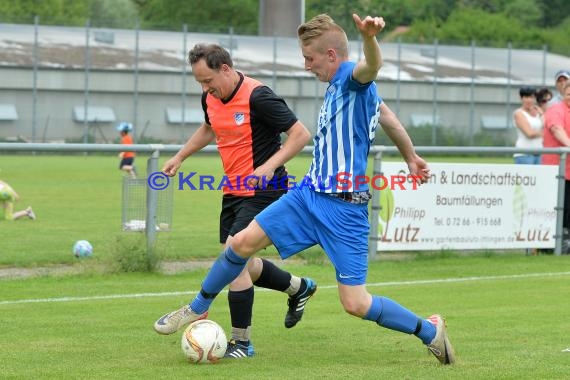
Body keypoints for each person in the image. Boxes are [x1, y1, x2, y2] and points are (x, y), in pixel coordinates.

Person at [154, 14, 455, 365]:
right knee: (239, 244)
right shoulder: (342, 91)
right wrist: (411, 155)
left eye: (309, 57)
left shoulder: (350, 77)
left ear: (331, 55)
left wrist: (370, 39)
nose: (306, 65)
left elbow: (371, 67)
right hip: (308, 196)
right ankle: (197, 307)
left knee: (355, 303)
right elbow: (385, 115)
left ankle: (430, 331)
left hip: (345, 211)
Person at [156, 43, 316, 358]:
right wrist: (180, 157)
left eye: (208, 80)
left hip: (266, 188)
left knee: (234, 255)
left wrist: (268, 166)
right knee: (240, 261)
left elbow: (300, 134)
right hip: (234, 189)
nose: (205, 88)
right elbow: (209, 128)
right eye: (200, 82)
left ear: (226, 69)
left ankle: (242, 342)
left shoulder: (259, 96)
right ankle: (299, 287)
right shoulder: (210, 98)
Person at [542, 82, 570, 247]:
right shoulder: (556, 110)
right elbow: (557, 130)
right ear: (563, 95)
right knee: (560, 208)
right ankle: (556, 242)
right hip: (557, 170)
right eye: (569, 94)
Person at [513, 86, 543, 165]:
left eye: (531, 97)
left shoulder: (539, 112)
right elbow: (529, 133)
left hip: (540, 153)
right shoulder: (518, 113)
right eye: (526, 97)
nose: (529, 100)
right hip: (524, 154)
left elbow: (546, 126)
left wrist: (542, 114)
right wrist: (544, 134)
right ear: (521, 98)